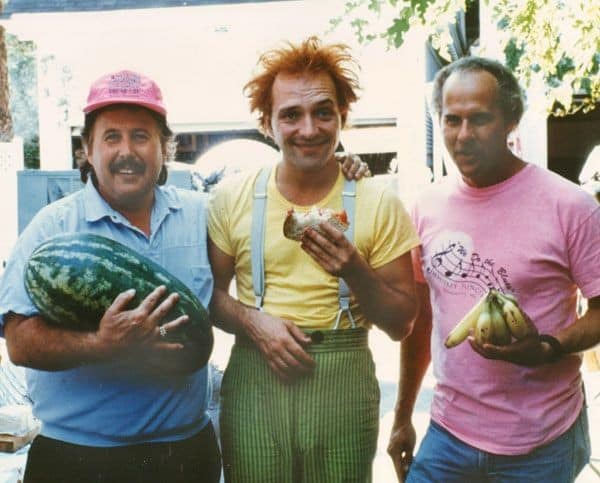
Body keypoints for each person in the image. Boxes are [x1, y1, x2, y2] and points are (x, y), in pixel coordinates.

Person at [207, 36, 419, 483]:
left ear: (342, 118)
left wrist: (355, 270)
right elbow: (209, 296)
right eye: (291, 115)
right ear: (267, 123)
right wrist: (254, 323)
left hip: (345, 380)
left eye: (323, 112)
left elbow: (402, 323)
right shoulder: (231, 198)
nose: (309, 129)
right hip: (254, 381)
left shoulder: (377, 202)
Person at [0, 70, 222, 483]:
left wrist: (339, 171)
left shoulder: (202, 215)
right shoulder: (52, 228)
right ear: (87, 148)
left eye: (141, 136)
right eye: (111, 137)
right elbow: (19, 341)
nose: (127, 151)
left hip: (185, 455)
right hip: (77, 459)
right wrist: (101, 344)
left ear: (164, 147)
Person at [387, 56, 600, 482]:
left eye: (480, 119)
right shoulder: (424, 207)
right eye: (452, 120)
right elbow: (423, 321)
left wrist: (547, 348)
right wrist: (403, 416)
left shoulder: (570, 206)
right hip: (448, 435)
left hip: (542, 441)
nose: (463, 136)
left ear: (510, 122)